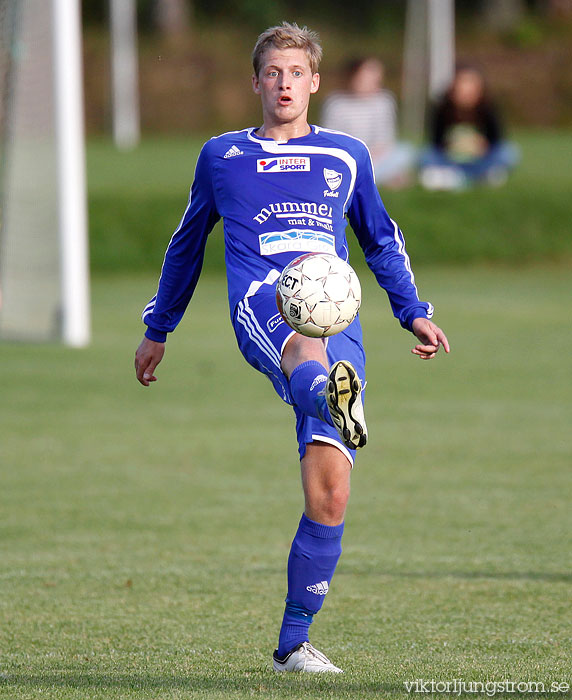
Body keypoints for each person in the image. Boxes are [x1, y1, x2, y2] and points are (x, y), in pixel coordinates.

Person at [134, 22, 449, 674]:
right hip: (265, 303)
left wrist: (412, 312)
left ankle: (292, 646)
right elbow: (186, 244)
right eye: (272, 73)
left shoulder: (346, 155)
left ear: (314, 81)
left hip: (340, 313)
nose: (284, 84)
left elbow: (380, 239)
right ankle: (336, 395)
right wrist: (159, 328)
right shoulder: (222, 155)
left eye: (296, 73)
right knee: (311, 360)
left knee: (329, 493)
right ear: (256, 82)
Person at [419, 63, 520, 190]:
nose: (466, 90)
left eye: (471, 85)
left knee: (508, 152)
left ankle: (471, 176)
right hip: (450, 159)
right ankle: (462, 177)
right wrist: (452, 145)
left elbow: (497, 138)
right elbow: (435, 141)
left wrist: (482, 145)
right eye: (463, 84)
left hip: (481, 159)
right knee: (425, 155)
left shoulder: (488, 107)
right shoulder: (442, 108)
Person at [320, 56, 415, 187]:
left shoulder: (384, 101)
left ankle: (364, 177)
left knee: (405, 152)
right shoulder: (336, 102)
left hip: (375, 156)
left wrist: (369, 156)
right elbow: (330, 138)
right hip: (346, 155)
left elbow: (385, 139)